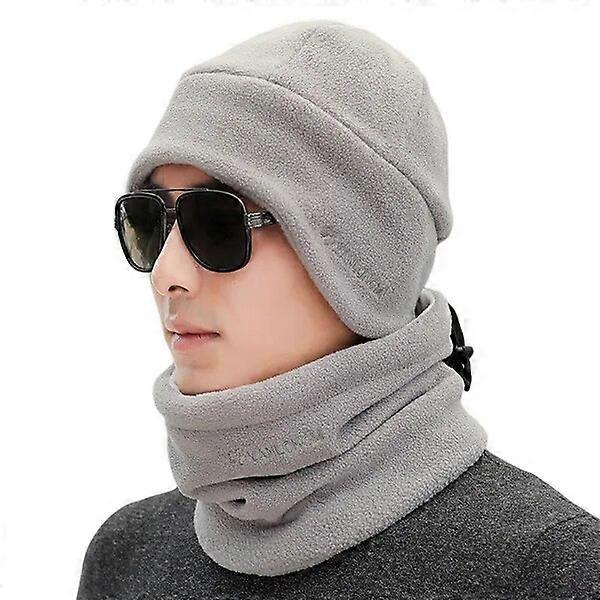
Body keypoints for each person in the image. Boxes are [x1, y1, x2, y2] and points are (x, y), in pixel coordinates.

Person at [77, 19, 599, 600]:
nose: (165, 274)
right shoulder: (127, 557)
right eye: (150, 221)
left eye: (216, 223)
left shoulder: (550, 571)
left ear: (363, 262)